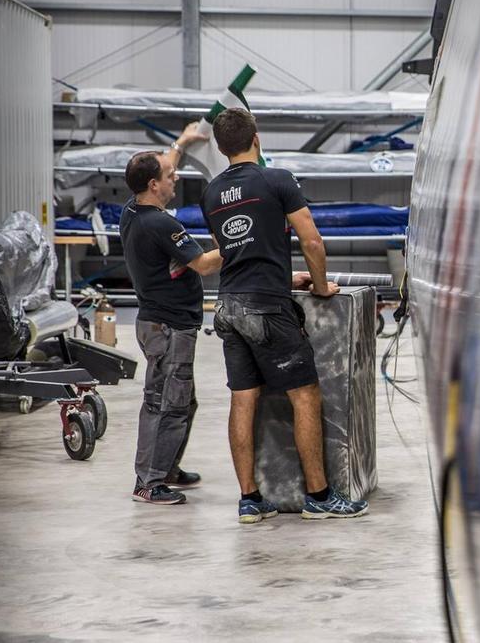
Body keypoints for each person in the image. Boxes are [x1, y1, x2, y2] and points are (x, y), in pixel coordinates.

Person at [200, 108, 369, 524]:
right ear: (256, 138)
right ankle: (319, 496)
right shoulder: (277, 180)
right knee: (306, 394)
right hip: (266, 308)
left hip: (228, 305)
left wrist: (279, 275)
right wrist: (319, 283)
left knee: (243, 399)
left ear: (221, 148)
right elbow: (311, 240)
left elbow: (237, 247)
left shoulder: (211, 193)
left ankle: (250, 500)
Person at [120, 124, 223, 505]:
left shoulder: (132, 211)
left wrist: (181, 143)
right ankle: (149, 482)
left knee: (177, 400)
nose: (174, 177)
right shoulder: (162, 224)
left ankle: (167, 469)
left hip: (153, 322)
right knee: (170, 404)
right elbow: (204, 265)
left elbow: (161, 165)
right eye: (168, 176)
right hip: (171, 327)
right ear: (152, 185)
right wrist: (241, 239)